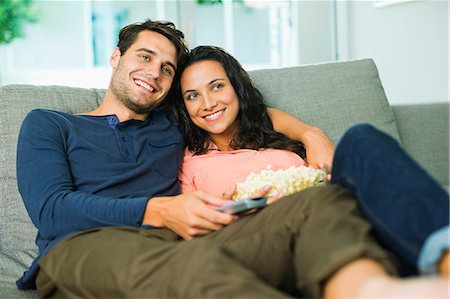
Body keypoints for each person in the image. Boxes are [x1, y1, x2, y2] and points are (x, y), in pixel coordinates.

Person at [15, 19, 346, 298]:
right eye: (144, 57)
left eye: (166, 68)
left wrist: (311, 135)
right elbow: (51, 211)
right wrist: (158, 210)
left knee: (317, 207)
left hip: (175, 241)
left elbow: (244, 113)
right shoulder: (51, 123)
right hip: (82, 245)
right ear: (116, 56)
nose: (153, 72)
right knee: (196, 264)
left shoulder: (174, 122)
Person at [175, 45, 449, 295]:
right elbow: (190, 229)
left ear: (236, 88)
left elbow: (268, 117)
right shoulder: (189, 162)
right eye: (192, 95)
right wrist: (234, 208)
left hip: (341, 210)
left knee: (361, 138)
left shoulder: (268, 126)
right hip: (283, 234)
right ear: (184, 106)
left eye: (217, 86)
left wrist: (313, 137)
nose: (208, 103)